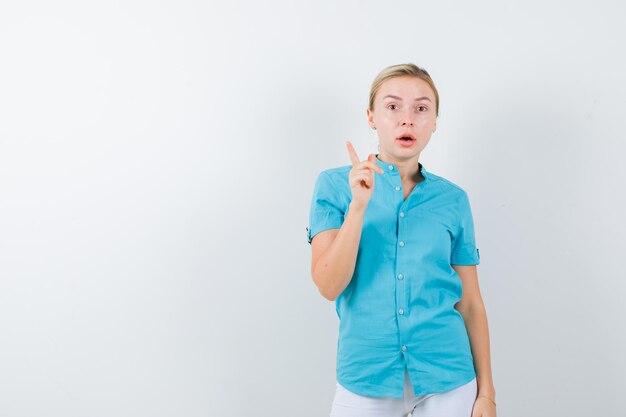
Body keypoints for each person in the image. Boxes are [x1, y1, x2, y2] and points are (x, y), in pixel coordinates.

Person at [306, 63, 497, 417]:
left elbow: (471, 304)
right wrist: (359, 208)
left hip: (449, 380)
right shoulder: (335, 186)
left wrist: (487, 393)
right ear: (372, 117)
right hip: (365, 378)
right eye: (393, 107)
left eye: (421, 108)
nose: (407, 120)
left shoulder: (453, 200)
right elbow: (329, 285)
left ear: (435, 121)